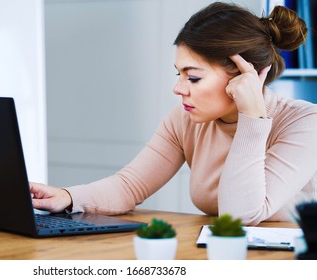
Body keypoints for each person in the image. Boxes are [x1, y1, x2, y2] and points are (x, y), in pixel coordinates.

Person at [30, 2, 317, 225]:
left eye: (193, 78)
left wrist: (253, 117)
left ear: (245, 75)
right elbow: (130, 186)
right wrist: (67, 197)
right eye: (179, 75)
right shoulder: (184, 121)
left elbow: (242, 215)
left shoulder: (304, 123)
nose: (178, 89)